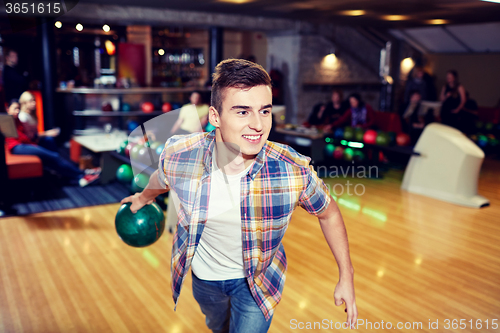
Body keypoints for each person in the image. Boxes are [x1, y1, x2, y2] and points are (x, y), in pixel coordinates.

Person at [121, 59, 357, 333]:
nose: (258, 124)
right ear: (215, 117)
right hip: (204, 280)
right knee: (218, 327)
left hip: (257, 284)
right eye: (243, 112)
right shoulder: (181, 154)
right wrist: (142, 198)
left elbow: (328, 213)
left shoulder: (292, 170)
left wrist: (346, 275)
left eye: (264, 111)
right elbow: (161, 179)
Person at [5, 100, 100, 187]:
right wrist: (33, 140)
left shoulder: (18, 120)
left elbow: (27, 136)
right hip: (17, 147)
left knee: (50, 155)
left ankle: (76, 175)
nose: (17, 111)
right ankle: (81, 174)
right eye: (14, 109)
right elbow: (20, 138)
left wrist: (33, 139)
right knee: (53, 156)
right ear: (8, 109)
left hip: (24, 145)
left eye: (18, 108)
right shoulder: (7, 120)